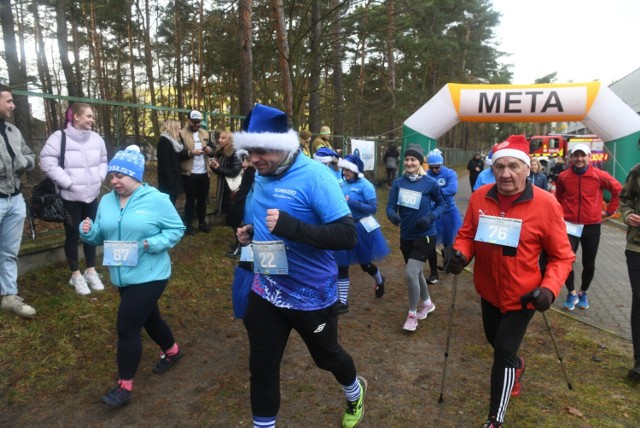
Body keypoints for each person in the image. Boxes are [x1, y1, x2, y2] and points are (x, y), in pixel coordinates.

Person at [234, 104, 366, 428]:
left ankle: (354, 392)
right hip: (266, 291)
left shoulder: (315, 176)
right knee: (262, 368)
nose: (254, 159)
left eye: (261, 151)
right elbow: (266, 219)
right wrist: (251, 233)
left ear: (282, 144)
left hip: (311, 296)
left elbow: (347, 235)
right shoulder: (261, 174)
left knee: (327, 357)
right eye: (249, 152)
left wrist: (293, 228)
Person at [443, 134, 575, 427]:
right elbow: (467, 236)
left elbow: (563, 256)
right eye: (499, 166)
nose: (506, 173)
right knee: (497, 343)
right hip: (489, 291)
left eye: (514, 166)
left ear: (528, 169)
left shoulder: (546, 204)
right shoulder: (480, 197)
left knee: (502, 350)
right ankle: (518, 366)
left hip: (525, 296)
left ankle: (494, 419)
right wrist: (460, 255)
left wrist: (550, 290)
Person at [79, 145, 185, 408]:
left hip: (150, 274)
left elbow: (176, 228)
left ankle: (124, 386)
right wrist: (87, 231)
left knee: (127, 326)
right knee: (150, 318)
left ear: (136, 176)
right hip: (121, 275)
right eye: (111, 176)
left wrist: (153, 243)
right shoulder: (106, 201)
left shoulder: (157, 199)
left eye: (120, 176)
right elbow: (100, 235)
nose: (114, 181)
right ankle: (172, 351)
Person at [40, 103, 108, 296]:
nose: (92, 120)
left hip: (92, 195)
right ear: (76, 117)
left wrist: (99, 178)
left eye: (92, 117)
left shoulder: (96, 139)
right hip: (70, 197)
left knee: (90, 233)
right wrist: (67, 183)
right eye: (88, 116)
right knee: (72, 234)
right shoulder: (59, 137)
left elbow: (104, 160)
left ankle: (91, 270)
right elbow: (46, 161)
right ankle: (75, 275)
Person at [555, 144, 622, 311]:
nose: (579, 159)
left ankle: (583, 292)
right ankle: (571, 292)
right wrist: (560, 214)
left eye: (582, 155)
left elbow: (618, 190)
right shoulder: (563, 177)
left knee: (589, 263)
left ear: (588, 157)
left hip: (592, 225)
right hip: (570, 225)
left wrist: (610, 211)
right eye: (576, 155)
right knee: (566, 260)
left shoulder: (598, 175)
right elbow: (558, 197)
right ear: (571, 157)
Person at [386, 144, 445, 332]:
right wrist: (392, 216)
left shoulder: (430, 183)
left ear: (420, 162)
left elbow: (443, 204)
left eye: (413, 159)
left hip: (426, 235)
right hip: (406, 235)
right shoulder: (398, 183)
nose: (409, 162)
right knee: (417, 273)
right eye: (407, 159)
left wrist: (430, 217)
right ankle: (427, 303)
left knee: (411, 273)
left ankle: (412, 315)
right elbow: (389, 207)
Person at [334, 153, 390, 314]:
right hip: (344, 227)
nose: (344, 173)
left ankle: (380, 279)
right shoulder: (340, 183)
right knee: (341, 264)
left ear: (355, 170)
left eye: (347, 170)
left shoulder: (366, 185)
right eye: (343, 170)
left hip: (362, 228)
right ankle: (342, 302)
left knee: (365, 264)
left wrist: (351, 202)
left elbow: (372, 208)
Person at [0, 84, 37, 318]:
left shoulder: (13, 130)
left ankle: (9, 296)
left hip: (15, 198)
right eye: (8, 101)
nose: (13, 105)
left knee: (9, 251)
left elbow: (30, 156)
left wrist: (24, 163)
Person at [425, 150, 462, 284]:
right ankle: (434, 272)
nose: (434, 170)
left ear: (441, 164)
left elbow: (452, 189)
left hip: (448, 213)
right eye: (432, 167)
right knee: (431, 243)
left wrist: (434, 193)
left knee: (448, 242)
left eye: (437, 167)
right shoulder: (427, 175)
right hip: (433, 213)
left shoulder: (449, 173)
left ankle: (447, 263)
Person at [620, 162, 640, 380]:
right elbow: (624, 200)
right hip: (637, 247)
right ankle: (639, 361)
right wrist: (628, 215)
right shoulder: (636, 171)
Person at [179, 110, 213, 235]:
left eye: (198, 122)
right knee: (190, 200)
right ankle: (188, 225)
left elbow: (213, 150)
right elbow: (178, 154)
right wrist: (191, 152)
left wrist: (210, 150)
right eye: (194, 122)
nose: (196, 125)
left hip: (204, 173)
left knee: (202, 200)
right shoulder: (181, 134)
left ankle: (202, 223)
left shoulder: (204, 133)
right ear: (188, 120)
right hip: (189, 174)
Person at [210, 130, 242, 252]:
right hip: (225, 189)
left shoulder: (235, 153)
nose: (219, 140)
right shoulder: (222, 152)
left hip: (233, 191)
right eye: (219, 138)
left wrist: (220, 168)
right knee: (230, 216)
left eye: (223, 138)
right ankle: (238, 243)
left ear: (230, 141)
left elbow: (234, 171)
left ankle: (240, 245)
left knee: (235, 219)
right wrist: (214, 168)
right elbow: (222, 171)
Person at [225, 149, 255, 258]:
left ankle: (242, 250)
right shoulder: (251, 172)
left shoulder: (252, 172)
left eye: (247, 160)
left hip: (252, 211)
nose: (243, 164)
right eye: (243, 160)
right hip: (248, 208)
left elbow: (243, 193)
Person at [156, 119, 185, 205]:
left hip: (174, 179)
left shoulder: (174, 141)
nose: (180, 131)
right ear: (173, 128)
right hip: (168, 183)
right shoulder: (164, 141)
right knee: (168, 205)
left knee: (172, 203)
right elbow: (165, 164)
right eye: (178, 128)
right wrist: (170, 182)